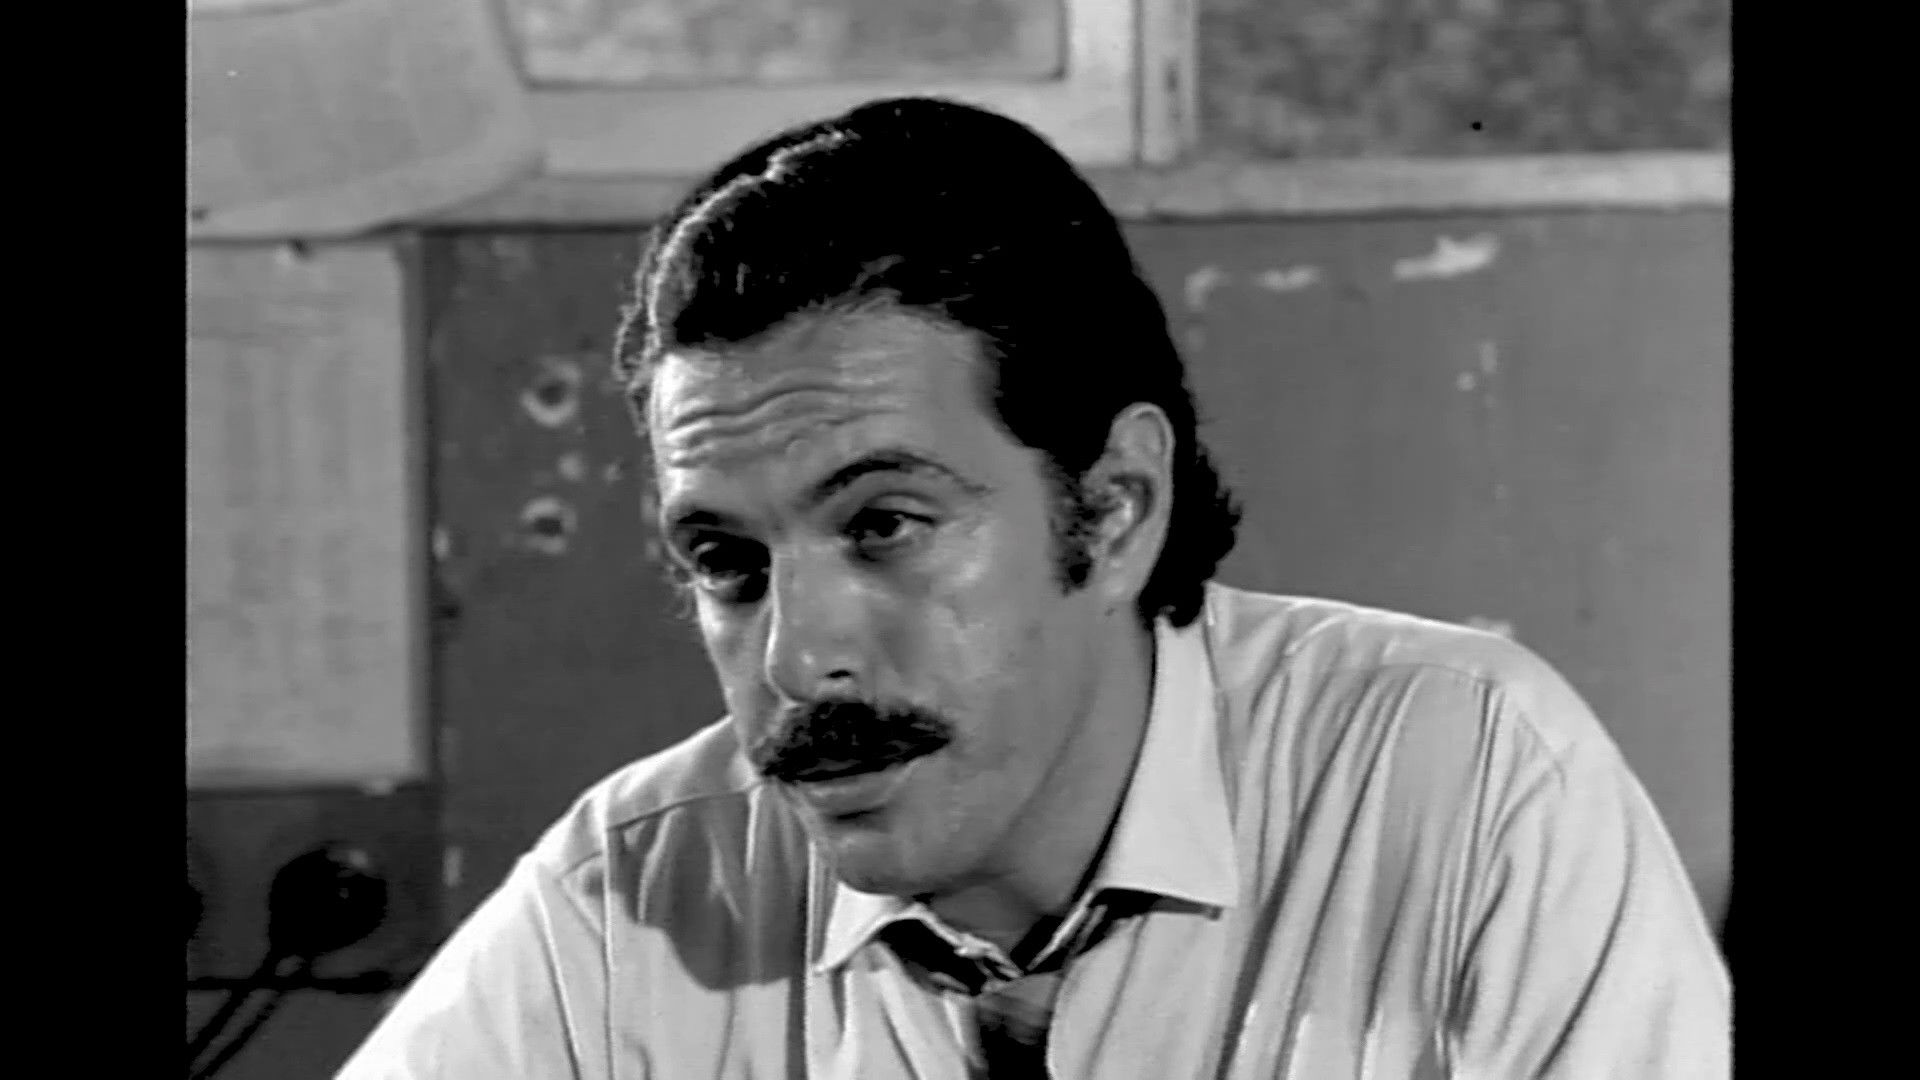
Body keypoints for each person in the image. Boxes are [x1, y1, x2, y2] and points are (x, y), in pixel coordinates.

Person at [337, 97, 1729, 1079]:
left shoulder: (1470, 781)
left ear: (1114, 508)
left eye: (884, 525)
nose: (794, 662)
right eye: (729, 563)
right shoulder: (628, 896)